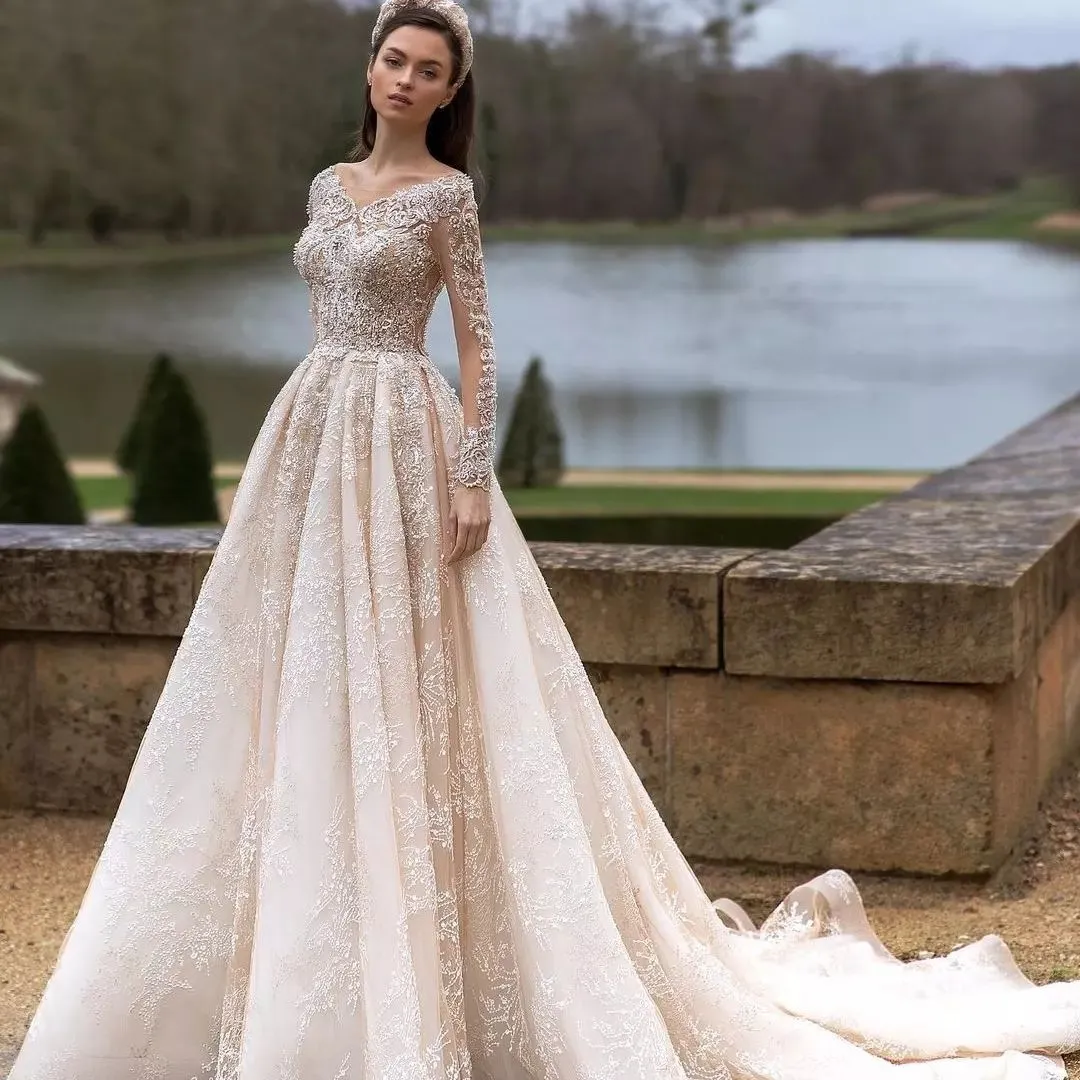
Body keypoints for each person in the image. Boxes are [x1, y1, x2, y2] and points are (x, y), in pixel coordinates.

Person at [8, 1, 1080, 1077]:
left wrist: (472, 478)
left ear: (448, 90)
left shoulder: (449, 196)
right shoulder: (325, 190)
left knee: (417, 677)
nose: (406, 81)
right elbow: (320, 329)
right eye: (395, 59)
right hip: (316, 426)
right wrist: (277, 461)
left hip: (406, 438)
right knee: (295, 674)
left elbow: (478, 346)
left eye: (430, 70)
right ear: (371, 64)